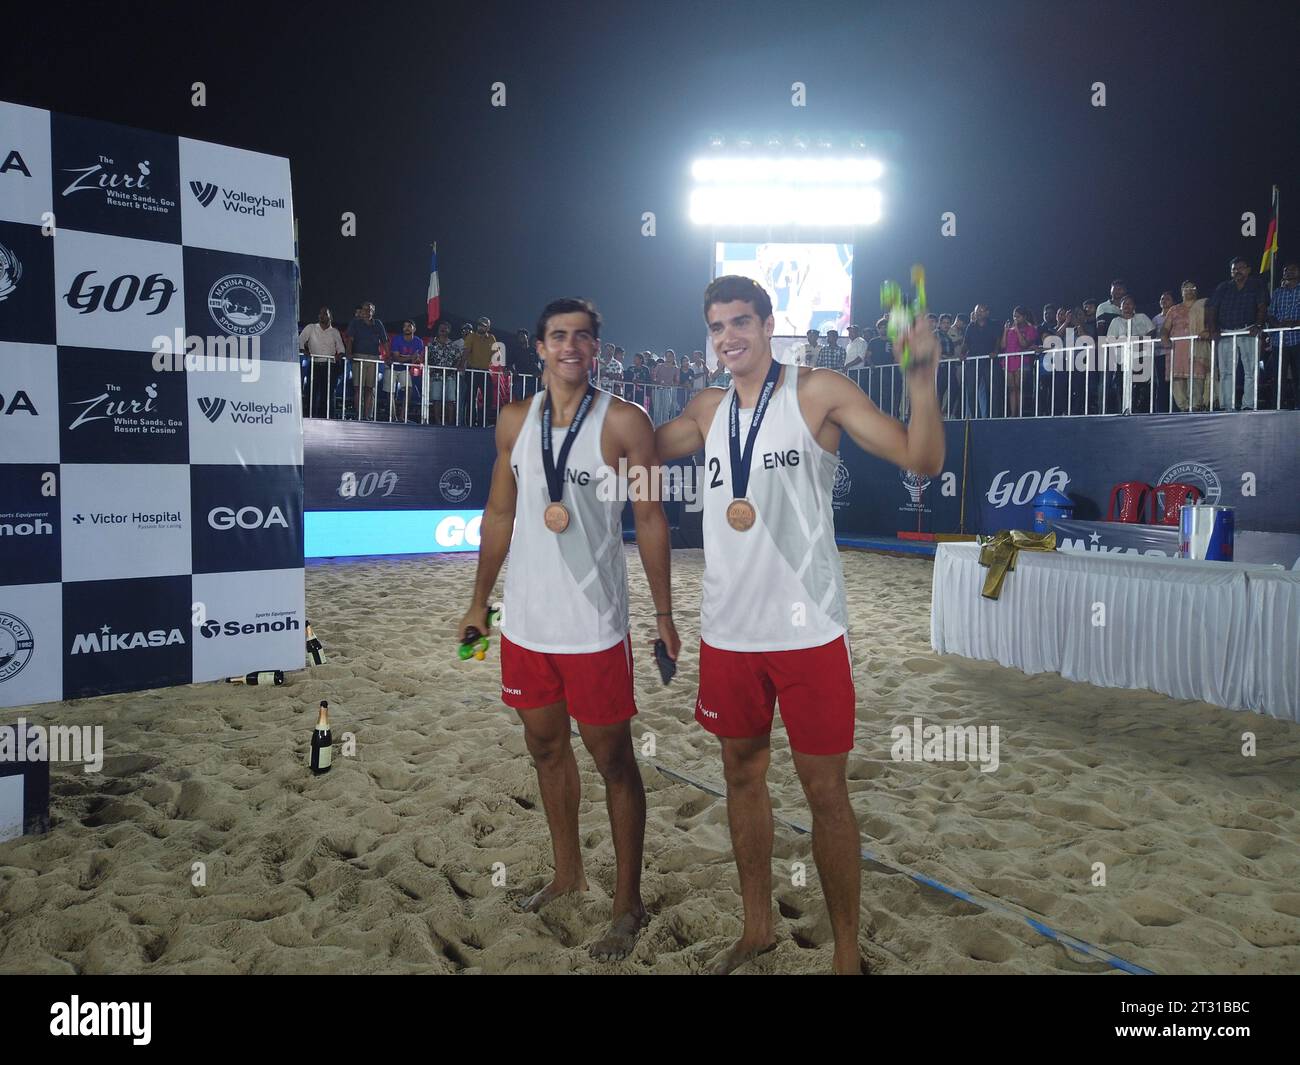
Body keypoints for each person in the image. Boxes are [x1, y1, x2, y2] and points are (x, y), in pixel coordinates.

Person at [655, 276, 943, 975]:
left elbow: (921, 458)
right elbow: (635, 448)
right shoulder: (705, 408)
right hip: (728, 631)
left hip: (809, 632)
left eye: (742, 321)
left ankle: (847, 953)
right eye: (718, 325)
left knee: (825, 792)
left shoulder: (817, 391)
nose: (729, 336)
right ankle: (757, 928)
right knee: (742, 777)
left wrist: (924, 379)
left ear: (768, 323)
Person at [457, 297, 678, 962]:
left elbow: (653, 518)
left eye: (583, 336)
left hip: (594, 625)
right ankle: (566, 873)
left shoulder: (626, 422)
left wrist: (665, 613)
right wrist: (479, 603)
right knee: (546, 751)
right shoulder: (514, 420)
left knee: (613, 760)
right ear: (539, 346)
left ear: (597, 347)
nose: (571, 346)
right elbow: (499, 513)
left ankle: (627, 903)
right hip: (525, 622)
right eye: (559, 336)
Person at [1162, 281, 1210, 412]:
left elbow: (1212, 323)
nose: (1189, 290)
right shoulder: (1174, 309)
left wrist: (1208, 331)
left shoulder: (1203, 306)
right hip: (1178, 349)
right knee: (1178, 381)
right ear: (1181, 291)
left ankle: (1195, 407)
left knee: (1196, 377)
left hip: (1198, 347)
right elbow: (1165, 328)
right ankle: (1183, 408)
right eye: (1186, 288)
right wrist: (1164, 338)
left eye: (1192, 288)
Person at [1105, 296, 1155, 414]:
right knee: (1122, 387)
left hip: (1141, 358)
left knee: (1142, 387)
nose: (1127, 306)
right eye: (1124, 304)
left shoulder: (1142, 317)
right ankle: (1124, 411)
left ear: (1134, 306)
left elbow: (1152, 332)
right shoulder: (1116, 321)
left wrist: (1138, 342)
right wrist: (1127, 343)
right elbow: (1110, 340)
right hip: (1122, 360)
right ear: (1120, 307)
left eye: (1130, 303)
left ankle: (1141, 412)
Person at [298, 306, 345, 418]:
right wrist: (304, 350)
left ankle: (326, 417)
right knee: (311, 392)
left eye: (325, 313)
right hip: (315, 364)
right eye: (320, 313)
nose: (321, 315)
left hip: (329, 366)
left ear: (330, 317)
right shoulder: (311, 328)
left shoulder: (335, 332)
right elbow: (299, 341)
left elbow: (341, 349)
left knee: (327, 394)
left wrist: (339, 355)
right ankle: (308, 416)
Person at [345, 301, 388, 420]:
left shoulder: (378, 323)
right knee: (358, 387)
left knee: (370, 388)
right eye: (364, 309)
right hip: (358, 357)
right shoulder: (355, 322)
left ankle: (367, 416)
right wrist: (348, 352)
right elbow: (350, 339)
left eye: (369, 310)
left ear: (373, 312)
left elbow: (384, 341)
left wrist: (388, 356)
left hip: (373, 358)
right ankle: (359, 415)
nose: (366, 312)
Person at [1267, 262, 1300, 409]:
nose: (1288, 272)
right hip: (1278, 341)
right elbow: (1270, 314)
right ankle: (1278, 406)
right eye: (1286, 270)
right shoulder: (1277, 292)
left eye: (1292, 269)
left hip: (1297, 339)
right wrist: (1277, 324)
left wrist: (1295, 322)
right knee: (1278, 377)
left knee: (1298, 376)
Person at [999, 306, 1038, 418]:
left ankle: (1020, 413)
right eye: (1014, 316)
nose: (1015, 319)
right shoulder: (1009, 330)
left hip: (1021, 360)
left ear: (1024, 317)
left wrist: (1016, 329)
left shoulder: (1030, 329)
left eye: (1018, 316)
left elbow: (1024, 344)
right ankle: (1012, 413)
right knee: (1011, 388)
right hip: (1008, 361)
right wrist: (1006, 331)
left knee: (1019, 387)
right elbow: (1003, 345)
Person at [387, 320, 425, 422]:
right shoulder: (397, 339)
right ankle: (393, 417)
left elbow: (417, 359)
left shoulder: (418, 341)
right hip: (391, 367)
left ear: (414, 329)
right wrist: (411, 357)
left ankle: (402, 417)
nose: (406, 328)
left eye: (409, 326)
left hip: (404, 369)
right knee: (390, 392)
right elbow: (396, 358)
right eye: (404, 326)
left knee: (409, 390)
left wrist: (411, 358)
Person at [426, 321, 460, 425]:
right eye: (441, 327)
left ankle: (450, 422)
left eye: (445, 328)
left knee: (450, 400)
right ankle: (438, 421)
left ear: (449, 331)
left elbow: (458, 359)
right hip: (436, 376)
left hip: (450, 377)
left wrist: (452, 369)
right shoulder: (431, 345)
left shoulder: (453, 345)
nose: (443, 329)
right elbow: (427, 359)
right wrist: (431, 369)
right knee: (436, 400)